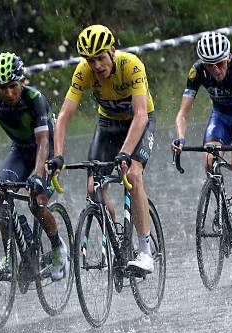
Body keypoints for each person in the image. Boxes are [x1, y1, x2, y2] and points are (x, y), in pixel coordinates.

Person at [50, 24, 156, 273]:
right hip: (107, 124)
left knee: (133, 175)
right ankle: (117, 240)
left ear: (112, 51)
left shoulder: (131, 65)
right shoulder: (83, 72)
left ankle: (145, 252)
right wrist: (57, 156)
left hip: (138, 122)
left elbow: (141, 115)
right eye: (90, 60)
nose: (96, 65)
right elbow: (64, 115)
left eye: (100, 58)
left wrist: (126, 153)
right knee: (94, 188)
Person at [0, 52, 68, 280]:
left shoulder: (35, 98)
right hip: (19, 150)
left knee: (37, 203)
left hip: (45, 150)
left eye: (13, 86)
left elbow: (43, 141)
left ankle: (58, 247)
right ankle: (13, 252)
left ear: (22, 81)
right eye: (2, 87)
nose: (8, 93)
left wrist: (38, 174)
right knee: (2, 192)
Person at [172, 32, 232, 255]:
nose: (216, 70)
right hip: (221, 118)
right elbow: (182, 113)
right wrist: (180, 137)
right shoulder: (197, 72)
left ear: (228, 57)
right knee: (208, 161)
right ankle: (222, 205)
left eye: (220, 63)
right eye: (210, 65)